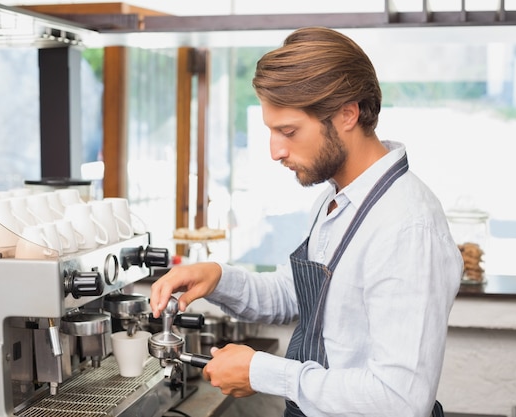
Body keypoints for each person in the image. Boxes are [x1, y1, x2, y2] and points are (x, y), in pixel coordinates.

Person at [150, 26, 463, 417]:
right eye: (271, 131)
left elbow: (399, 400)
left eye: (288, 131)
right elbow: (297, 295)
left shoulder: (406, 227)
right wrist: (218, 277)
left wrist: (264, 372)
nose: (275, 151)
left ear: (347, 113)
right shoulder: (337, 198)